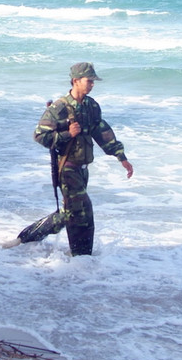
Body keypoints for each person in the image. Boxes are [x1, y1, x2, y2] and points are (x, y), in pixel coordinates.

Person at [8, 62, 133, 256]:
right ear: (75, 81)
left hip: (83, 169)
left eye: (93, 81)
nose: (92, 84)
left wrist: (120, 156)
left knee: (71, 213)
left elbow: (103, 132)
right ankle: (80, 257)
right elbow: (40, 135)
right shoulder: (59, 108)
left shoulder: (91, 106)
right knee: (82, 211)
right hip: (67, 168)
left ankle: (30, 237)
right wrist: (67, 134)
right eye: (88, 81)